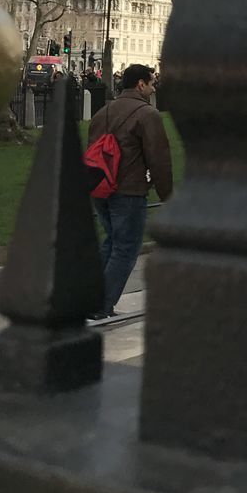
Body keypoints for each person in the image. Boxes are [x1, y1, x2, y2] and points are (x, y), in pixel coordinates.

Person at [88, 63, 173, 320]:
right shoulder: (147, 114)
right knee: (126, 248)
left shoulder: (103, 111)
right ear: (140, 84)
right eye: (151, 82)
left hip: (100, 186)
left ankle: (90, 298)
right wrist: (167, 195)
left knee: (112, 241)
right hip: (128, 189)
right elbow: (159, 159)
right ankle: (102, 304)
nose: (153, 86)